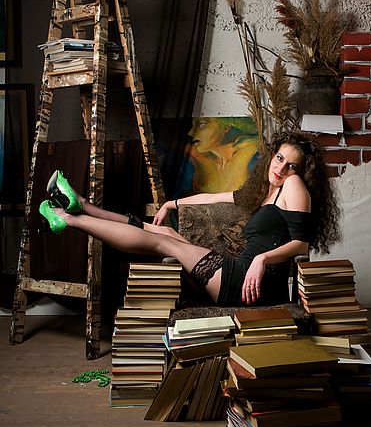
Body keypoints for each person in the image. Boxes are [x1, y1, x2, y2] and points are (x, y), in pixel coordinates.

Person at [38, 131, 341, 307]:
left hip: (251, 285)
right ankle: (83, 206)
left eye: (292, 165)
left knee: (162, 243)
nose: (282, 168)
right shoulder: (263, 193)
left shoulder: (294, 186)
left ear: (302, 172)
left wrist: (262, 259)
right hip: (237, 271)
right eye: (279, 158)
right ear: (271, 156)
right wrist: (172, 203)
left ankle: (68, 218)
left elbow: (302, 245)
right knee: (162, 233)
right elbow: (213, 197)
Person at [181, 117, 260, 194]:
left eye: (202, 124)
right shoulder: (192, 158)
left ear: (226, 127)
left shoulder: (253, 154)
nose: (191, 132)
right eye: (193, 125)